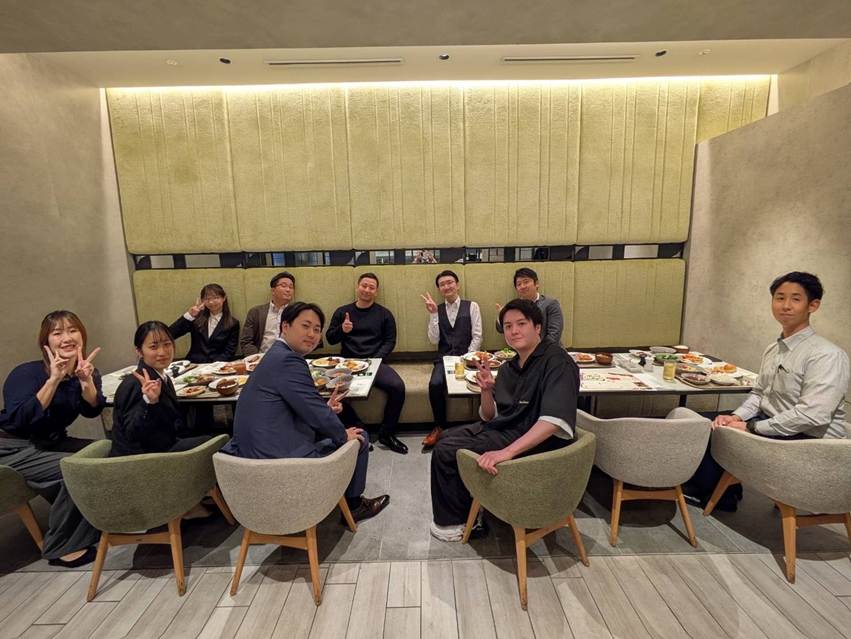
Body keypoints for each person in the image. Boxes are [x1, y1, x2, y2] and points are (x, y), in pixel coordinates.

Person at [688, 271, 849, 511]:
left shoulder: (826, 355)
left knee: (713, 429)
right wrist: (737, 417)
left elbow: (812, 415)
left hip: (809, 443)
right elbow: (759, 395)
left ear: (812, 305)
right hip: (777, 426)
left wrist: (751, 427)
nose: (786, 305)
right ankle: (721, 492)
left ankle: (718, 494)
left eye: (795, 299)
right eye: (780, 298)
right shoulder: (774, 349)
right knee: (701, 422)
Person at [222, 302, 389, 522]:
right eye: (306, 326)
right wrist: (342, 434)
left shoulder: (274, 355)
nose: (312, 334)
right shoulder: (289, 360)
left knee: (331, 423)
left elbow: (300, 405)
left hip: (249, 456)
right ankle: (354, 506)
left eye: (317, 329)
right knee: (359, 436)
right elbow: (315, 413)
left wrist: (324, 409)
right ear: (285, 326)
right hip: (278, 462)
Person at [430, 299, 579, 542]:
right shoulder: (510, 367)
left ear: (538, 327)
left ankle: (457, 523)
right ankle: (471, 503)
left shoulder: (557, 361)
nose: (514, 331)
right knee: (446, 437)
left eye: (521, 324)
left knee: (446, 450)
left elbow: (553, 421)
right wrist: (487, 390)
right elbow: (490, 416)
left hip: (538, 443)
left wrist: (506, 452)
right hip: (508, 429)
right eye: (508, 326)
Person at [0, 311, 104, 567]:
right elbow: (20, 420)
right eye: (57, 333)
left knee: (106, 451)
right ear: (45, 341)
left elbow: (92, 409)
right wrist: (54, 380)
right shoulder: (25, 373)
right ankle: (61, 546)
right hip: (11, 447)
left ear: (82, 336)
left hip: (50, 441)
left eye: (73, 330)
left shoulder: (85, 371)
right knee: (75, 468)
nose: (66, 338)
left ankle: (101, 520)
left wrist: (86, 381)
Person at [326, 273, 408, 455]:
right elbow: (330, 339)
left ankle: (387, 433)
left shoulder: (384, 314)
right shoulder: (343, 312)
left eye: (371, 287)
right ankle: (359, 430)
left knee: (398, 387)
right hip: (348, 363)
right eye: (364, 285)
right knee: (334, 391)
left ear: (376, 292)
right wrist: (342, 330)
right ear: (357, 287)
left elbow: (390, 341)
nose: (367, 290)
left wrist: (374, 360)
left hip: (374, 362)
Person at [110, 322, 211, 457]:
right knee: (217, 443)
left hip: (163, 443)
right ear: (139, 351)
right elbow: (132, 434)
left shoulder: (161, 376)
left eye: (167, 344)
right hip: (143, 458)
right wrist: (148, 402)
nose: (162, 352)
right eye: (153, 347)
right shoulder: (136, 383)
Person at [421, 269, 482, 448]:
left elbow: (477, 336)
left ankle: (480, 427)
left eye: (450, 282)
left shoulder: (472, 306)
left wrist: (467, 358)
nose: (446, 286)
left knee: (478, 384)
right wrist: (433, 314)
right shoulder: (437, 309)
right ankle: (439, 427)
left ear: (457, 285)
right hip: (444, 358)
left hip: (468, 357)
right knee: (435, 384)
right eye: (442, 284)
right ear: (439, 289)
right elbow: (434, 340)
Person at [169, 283, 240, 363]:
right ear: (202, 301)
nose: (211, 302)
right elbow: (170, 334)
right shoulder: (196, 319)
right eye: (207, 299)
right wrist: (189, 315)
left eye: (216, 298)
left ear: (224, 298)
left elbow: (229, 351)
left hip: (217, 366)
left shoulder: (233, 323)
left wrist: (213, 366)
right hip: (193, 364)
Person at [496, 267, 564, 345]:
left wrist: (539, 350)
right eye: (519, 284)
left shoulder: (550, 304)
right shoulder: (514, 307)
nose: (522, 286)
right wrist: (502, 315)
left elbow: (554, 334)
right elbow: (501, 330)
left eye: (526, 282)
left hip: (549, 350)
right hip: (522, 350)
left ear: (536, 284)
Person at [240, 271, 295, 355]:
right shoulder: (256, 312)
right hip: (261, 357)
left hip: (290, 358)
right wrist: (257, 358)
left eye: (291, 287)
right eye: (284, 286)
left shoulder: (298, 312)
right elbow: (246, 341)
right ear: (273, 290)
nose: (288, 290)